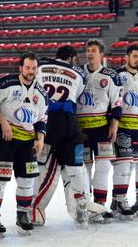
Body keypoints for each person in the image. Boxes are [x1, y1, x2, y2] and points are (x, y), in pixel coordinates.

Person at [34, 45, 102, 224]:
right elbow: (76, 94)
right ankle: (82, 205)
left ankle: (35, 209)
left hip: (46, 119)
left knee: (47, 167)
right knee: (76, 166)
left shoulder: (41, 66)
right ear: (71, 58)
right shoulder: (79, 72)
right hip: (69, 122)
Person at [0, 52, 48, 235]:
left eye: (34, 68)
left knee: (27, 180)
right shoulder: (5, 83)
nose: (30, 71)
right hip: (4, 138)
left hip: (27, 142)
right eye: (27, 67)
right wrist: (3, 122)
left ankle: (23, 215)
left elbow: (42, 119)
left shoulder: (41, 92)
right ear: (20, 67)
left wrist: (40, 139)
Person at [78, 39, 121, 218]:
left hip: (102, 128)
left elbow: (117, 102)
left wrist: (114, 125)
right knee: (84, 168)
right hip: (81, 130)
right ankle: (85, 206)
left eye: (94, 50)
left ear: (101, 54)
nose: (90, 53)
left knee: (103, 166)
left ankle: (100, 205)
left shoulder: (111, 75)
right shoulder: (78, 73)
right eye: (88, 50)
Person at [109, 44, 138, 217]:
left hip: (137, 128)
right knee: (122, 165)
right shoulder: (117, 76)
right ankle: (121, 199)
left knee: (130, 166)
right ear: (126, 57)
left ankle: (116, 200)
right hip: (122, 126)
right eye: (135, 56)